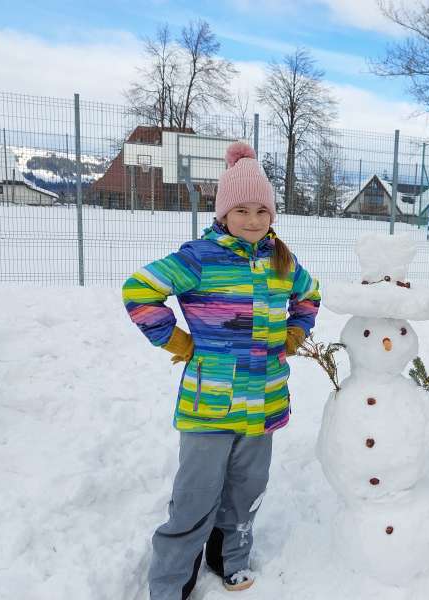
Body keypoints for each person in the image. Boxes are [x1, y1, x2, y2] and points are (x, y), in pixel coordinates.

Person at [122, 142, 320, 599]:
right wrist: (177, 339)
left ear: (272, 215)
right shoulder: (198, 258)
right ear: (223, 214)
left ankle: (230, 556)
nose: (252, 220)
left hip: (265, 401)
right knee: (195, 494)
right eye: (241, 210)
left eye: (261, 211)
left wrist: (294, 334)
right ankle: (171, 578)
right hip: (209, 405)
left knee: (247, 490)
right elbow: (139, 291)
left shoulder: (282, 262)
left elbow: (311, 296)